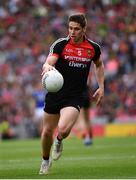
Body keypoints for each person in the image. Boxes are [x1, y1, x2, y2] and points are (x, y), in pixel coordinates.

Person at [39, 13, 104, 175]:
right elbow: (50, 60)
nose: (72, 32)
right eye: (70, 28)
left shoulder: (93, 48)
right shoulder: (61, 44)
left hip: (75, 95)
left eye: (76, 29)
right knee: (47, 131)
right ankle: (45, 160)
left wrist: (101, 86)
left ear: (84, 29)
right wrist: (47, 66)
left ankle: (59, 141)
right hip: (55, 94)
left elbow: (99, 65)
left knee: (63, 129)